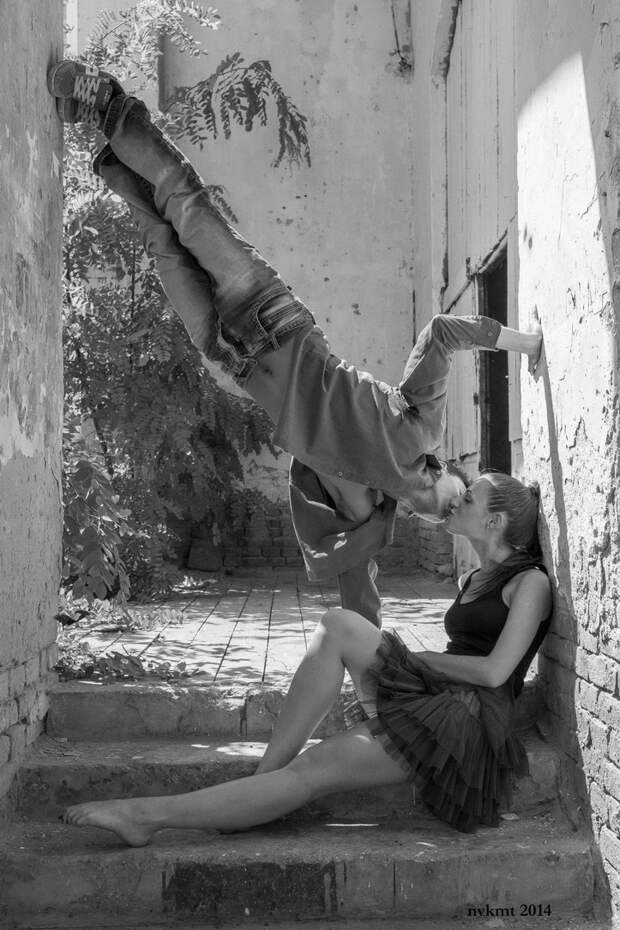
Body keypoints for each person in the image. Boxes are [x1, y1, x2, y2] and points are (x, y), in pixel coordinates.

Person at [49, 61, 552, 839]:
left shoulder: (370, 518)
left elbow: (357, 597)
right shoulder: (417, 425)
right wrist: (524, 344)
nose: (457, 497)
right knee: (185, 201)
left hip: (237, 363)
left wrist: (380, 639)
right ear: (451, 474)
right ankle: (107, 103)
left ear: (478, 523)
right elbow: (443, 333)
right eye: (467, 484)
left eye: (467, 501)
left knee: (161, 244)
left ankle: (113, 164)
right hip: (274, 319)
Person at [60, 469, 552, 839]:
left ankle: (146, 816)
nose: (457, 499)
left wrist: (415, 659)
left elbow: (495, 672)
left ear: (494, 521)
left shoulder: (530, 584)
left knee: (315, 768)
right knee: (338, 624)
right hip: (440, 692)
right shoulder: (474, 577)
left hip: (466, 720)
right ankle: (261, 782)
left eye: (469, 498)